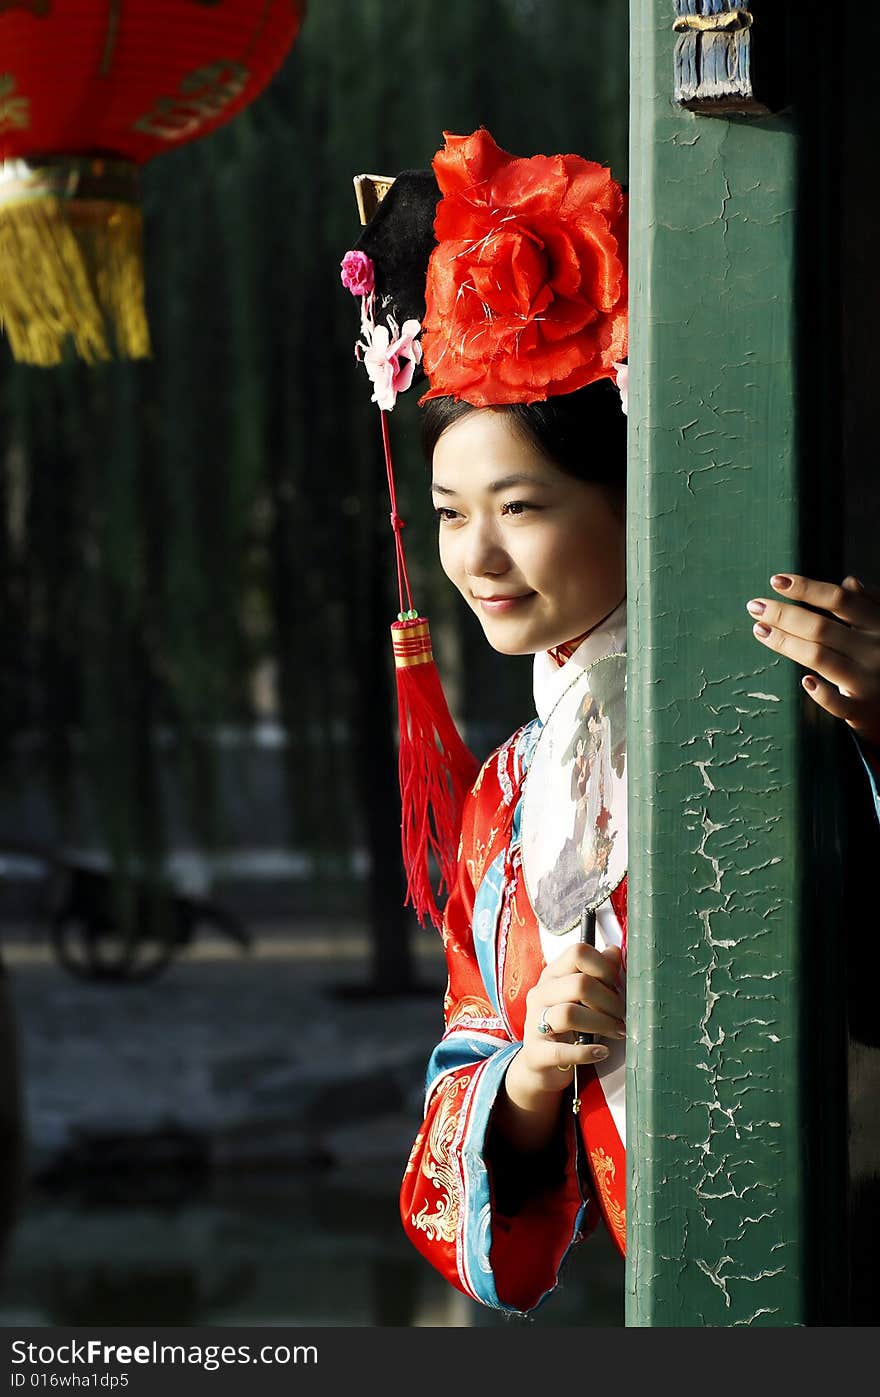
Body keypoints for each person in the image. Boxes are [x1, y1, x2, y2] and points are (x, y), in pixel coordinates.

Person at [342, 128, 880, 1316]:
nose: (474, 558)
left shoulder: (806, 692)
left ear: (636, 499)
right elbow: (455, 1136)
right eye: (446, 514)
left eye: (520, 505)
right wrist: (534, 1069)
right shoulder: (510, 796)